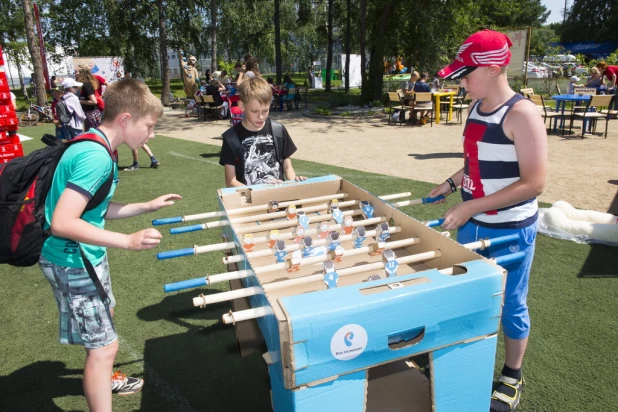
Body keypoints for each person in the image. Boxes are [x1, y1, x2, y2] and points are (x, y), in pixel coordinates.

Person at [38, 78, 181, 411]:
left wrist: (146, 206)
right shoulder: (96, 157)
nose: (152, 135)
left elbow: (93, 210)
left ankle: (106, 377)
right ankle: (103, 378)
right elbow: (62, 222)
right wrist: (128, 241)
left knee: (106, 319)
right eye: (149, 126)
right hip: (72, 259)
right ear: (126, 119)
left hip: (83, 257)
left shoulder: (100, 146)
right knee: (104, 349)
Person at [429, 29, 547, 412]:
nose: (461, 82)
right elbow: (476, 159)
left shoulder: (523, 113)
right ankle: (461, 361)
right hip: (474, 224)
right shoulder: (474, 108)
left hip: (511, 230)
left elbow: (534, 183)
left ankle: (512, 373)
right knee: (466, 296)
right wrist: (451, 184)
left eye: (466, 74)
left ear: (495, 68)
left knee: (511, 305)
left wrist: (470, 207)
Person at [219, 76, 306, 187]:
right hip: (251, 202)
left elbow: (287, 167)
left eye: (265, 110)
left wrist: (295, 181)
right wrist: (258, 191)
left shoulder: (278, 130)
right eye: (254, 111)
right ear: (242, 106)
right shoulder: (231, 138)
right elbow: (231, 182)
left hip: (279, 199)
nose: (260, 116)